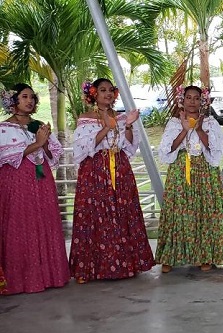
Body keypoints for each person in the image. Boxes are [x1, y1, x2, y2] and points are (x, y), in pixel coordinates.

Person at [69, 78, 155, 283]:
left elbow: (129, 146)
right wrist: (106, 127)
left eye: (110, 90)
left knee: (121, 212)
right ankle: (88, 269)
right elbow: (83, 148)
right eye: (102, 90)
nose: (107, 94)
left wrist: (129, 126)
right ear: (94, 94)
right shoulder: (86, 118)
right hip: (95, 171)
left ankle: (125, 265)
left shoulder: (121, 117)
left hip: (120, 169)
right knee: (95, 214)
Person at [155, 85, 223, 272]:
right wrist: (184, 130)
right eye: (189, 97)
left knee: (204, 211)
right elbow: (167, 149)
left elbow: (216, 150)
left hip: (204, 171)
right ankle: (170, 257)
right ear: (182, 100)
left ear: (202, 102)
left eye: (196, 98)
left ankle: (205, 255)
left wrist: (199, 129)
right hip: (180, 171)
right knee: (177, 211)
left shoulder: (210, 123)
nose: (192, 101)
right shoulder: (174, 123)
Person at [0, 83, 70, 294]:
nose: (29, 101)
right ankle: (21, 279)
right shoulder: (4, 128)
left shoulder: (38, 125)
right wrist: (39, 142)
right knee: (21, 223)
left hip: (41, 181)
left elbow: (52, 156)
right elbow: (8, 156)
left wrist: (45, 141)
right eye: (24, 97)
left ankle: (50, 276)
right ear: (13, 102)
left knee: (45, 221)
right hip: (17, 182)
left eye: (32, 97)